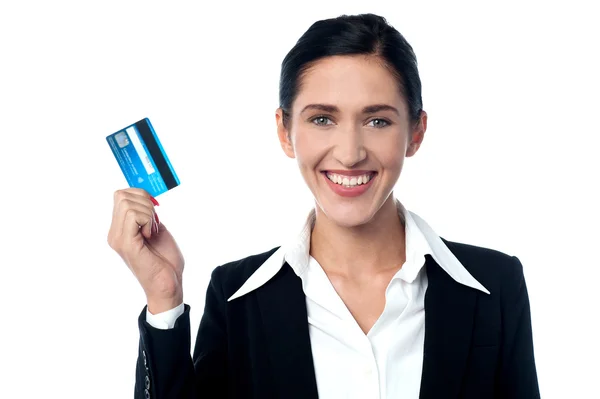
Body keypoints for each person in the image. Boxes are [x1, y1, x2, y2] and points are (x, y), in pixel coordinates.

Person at [107, 13, 540, 399]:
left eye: (377, 120)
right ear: (284, 130)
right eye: (322, 119)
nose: (349, 153)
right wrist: (163, 300)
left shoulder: (495, 287)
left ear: (416, 132)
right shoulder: (236, 298)